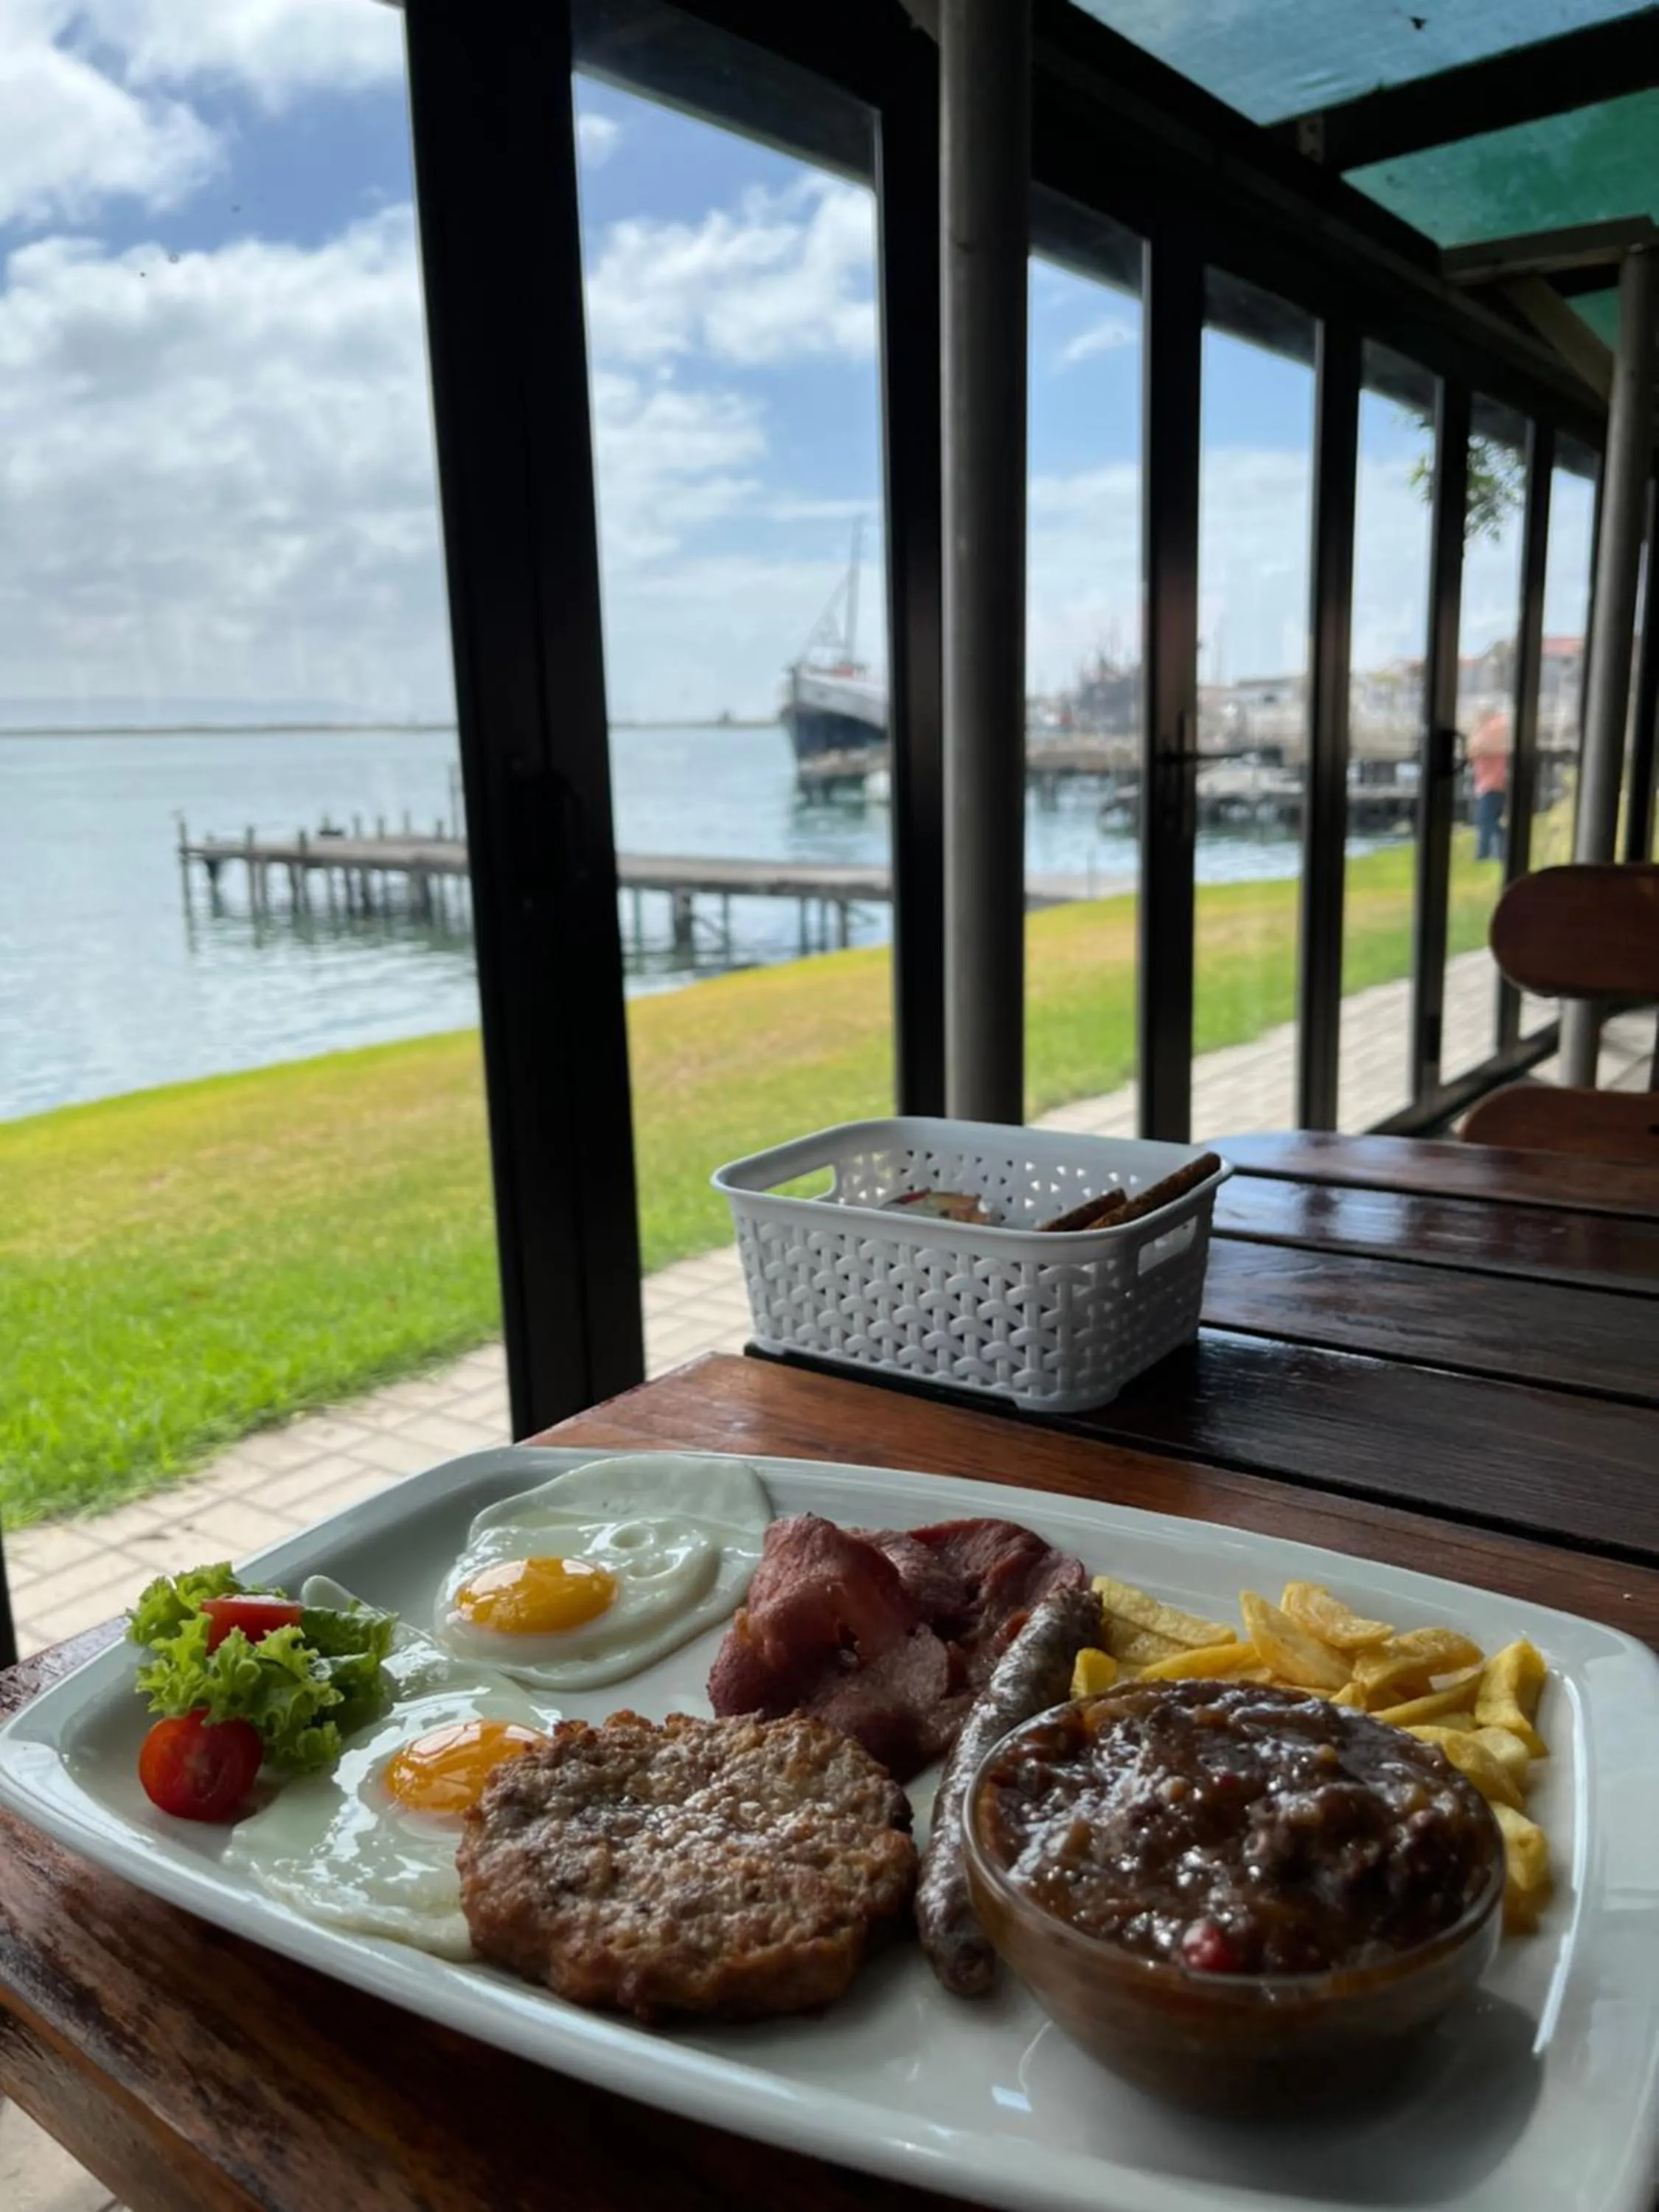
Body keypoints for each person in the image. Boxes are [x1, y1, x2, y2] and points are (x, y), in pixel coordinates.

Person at [1467, 706, 1511, 863]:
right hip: (1492, 784)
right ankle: (1498, 852)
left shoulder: (1492, 732)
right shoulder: (1498, 731)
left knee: (1487, 821)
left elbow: (1474, 749)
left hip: (1491, 784)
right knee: (1492, 821)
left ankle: (1484, 854)